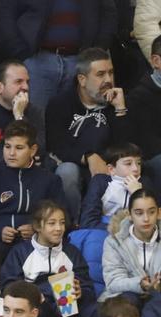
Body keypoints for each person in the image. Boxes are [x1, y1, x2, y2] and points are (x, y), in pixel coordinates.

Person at [45, 47, 129, 219]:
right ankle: (72, 223)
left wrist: (120, 110)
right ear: (82, 79)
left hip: (109, 168)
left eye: (111, 73)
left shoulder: (118, 103)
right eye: (100, 74)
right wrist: (88, 156)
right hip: (75, 164)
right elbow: (56, 145)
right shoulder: (60, 103)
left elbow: (126, 146)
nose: (108, 80)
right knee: (67, 171)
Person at [0, 1, 118, 111]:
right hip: (36, 62)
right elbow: (5, 12)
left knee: (78, 126)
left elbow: (108, 13)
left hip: (80, 63)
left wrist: (96, 53)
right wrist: (20, 51)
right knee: (34, 126)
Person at [0, 201, 99, 317]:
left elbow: (88, 288)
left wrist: (81, 292)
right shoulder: (20, 252)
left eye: (62, 223)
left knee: (97, 312)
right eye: (52, 223)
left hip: (68, 305)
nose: (59, 228)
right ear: (37, 226)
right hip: (38, 305)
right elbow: (8, 286)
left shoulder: (72, 252)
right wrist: (35, 294)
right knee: (32, 314)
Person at [0, 121, 66, 253]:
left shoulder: (50, 181)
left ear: (33, 150)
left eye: (19, 148)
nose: (11, 153)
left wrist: (37, 230)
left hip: (38, 245)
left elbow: (63, 218)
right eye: (7, 146)